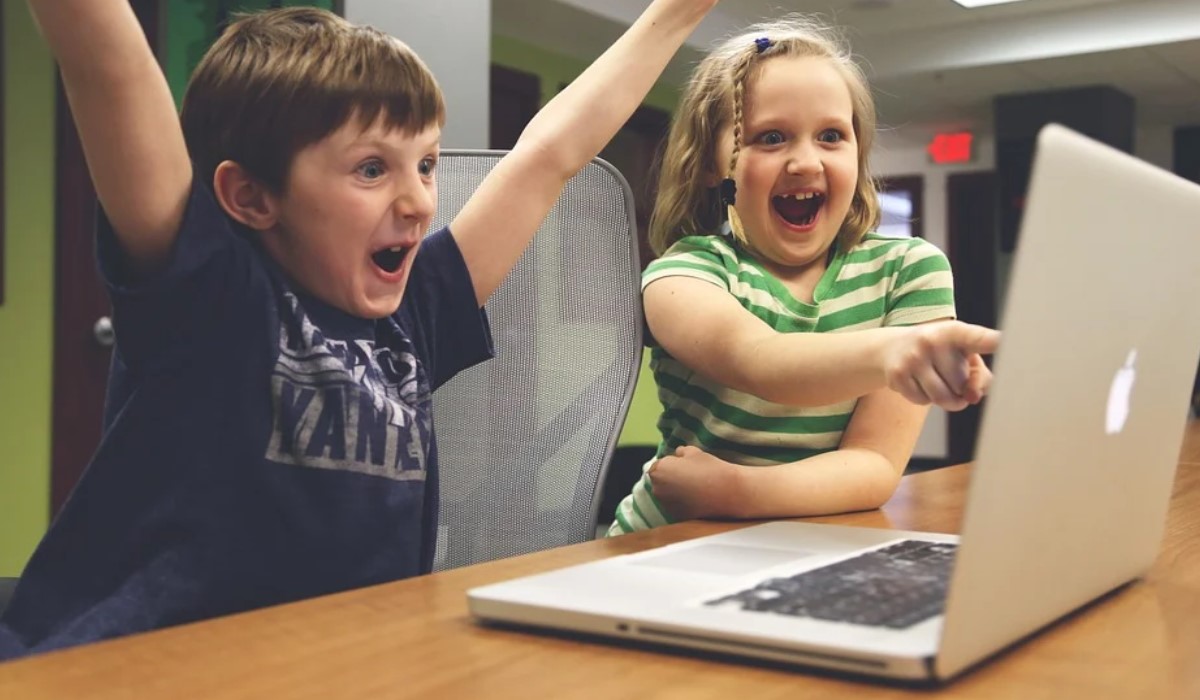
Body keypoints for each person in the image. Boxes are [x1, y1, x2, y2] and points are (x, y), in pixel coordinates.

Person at [0, 0, 718, 658]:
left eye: (427, 165)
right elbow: (109, 64)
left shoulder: (417, 315)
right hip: (132, 667)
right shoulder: (209, 291)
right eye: (372, 168)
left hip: (337, 661)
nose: (417, 202)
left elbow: (549, 156)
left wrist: (673, 14)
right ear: (249, 196)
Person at [607, 16, 999, 536]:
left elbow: (874, 465)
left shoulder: (909, 270)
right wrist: (893, 351)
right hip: (665, 545)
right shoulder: (684, 273)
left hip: (806, 546)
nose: (805, 161)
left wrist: (738, 493)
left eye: (832, 136)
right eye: (771, 137)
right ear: (710, 163)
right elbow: (763, 363)